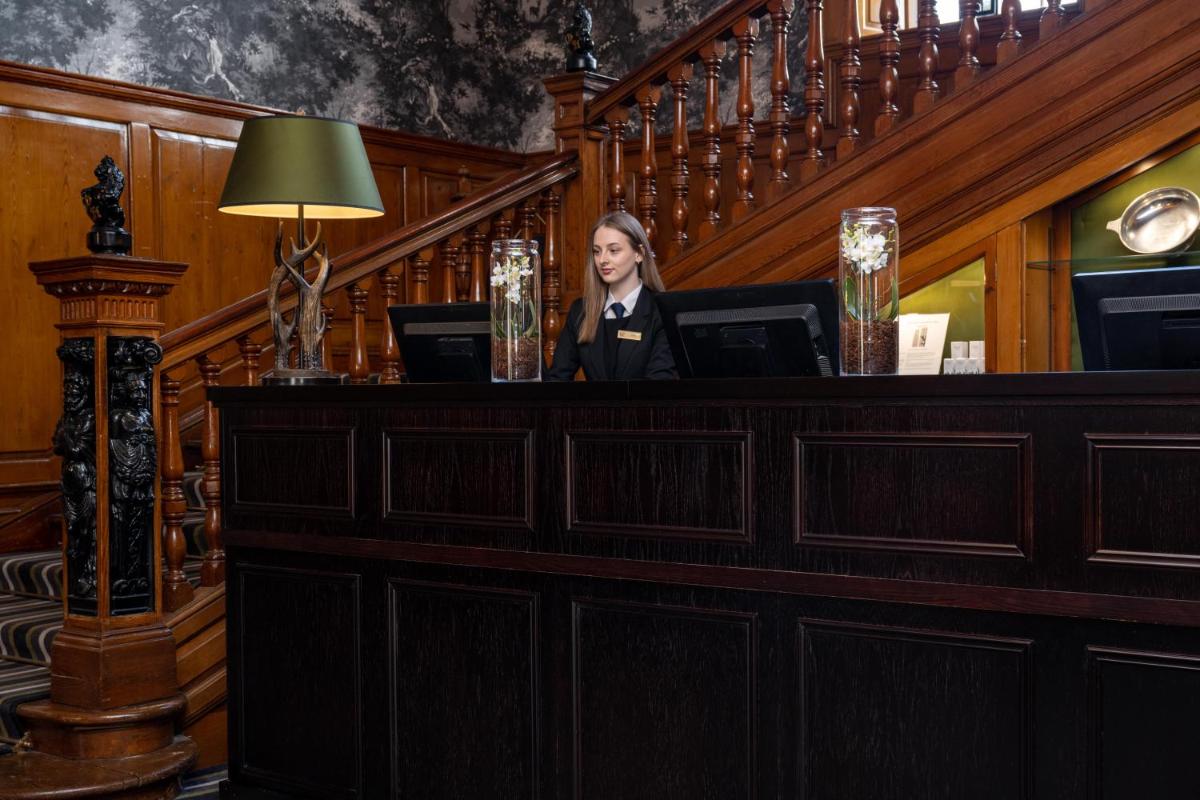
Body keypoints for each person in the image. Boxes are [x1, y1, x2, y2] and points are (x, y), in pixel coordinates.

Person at [545, 212, 677, 381]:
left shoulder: (662, 312)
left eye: (613, 250)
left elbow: (660, 384)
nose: (602, 260)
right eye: (597, 251)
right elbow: (557, 379)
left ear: (639, 253)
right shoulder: (581, 311)